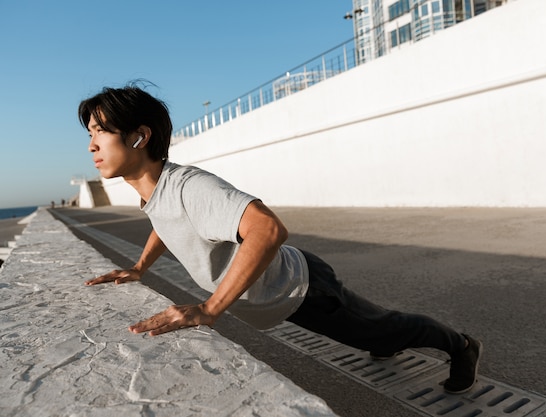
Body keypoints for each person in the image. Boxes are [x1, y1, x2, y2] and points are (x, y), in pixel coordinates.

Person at [78, 84, 483, 394]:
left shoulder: (187, 186)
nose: (92, 144)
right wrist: (138, 268)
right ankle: (384, 338)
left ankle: (461, 345)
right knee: (374, 327)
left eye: (101, 131)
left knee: (383, 328)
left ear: (138, 137)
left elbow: (268, 229)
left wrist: (210, 308)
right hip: (283, 290)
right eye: (90, 134)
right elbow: (167, 224)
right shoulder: (156, 192)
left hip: (301, 288)